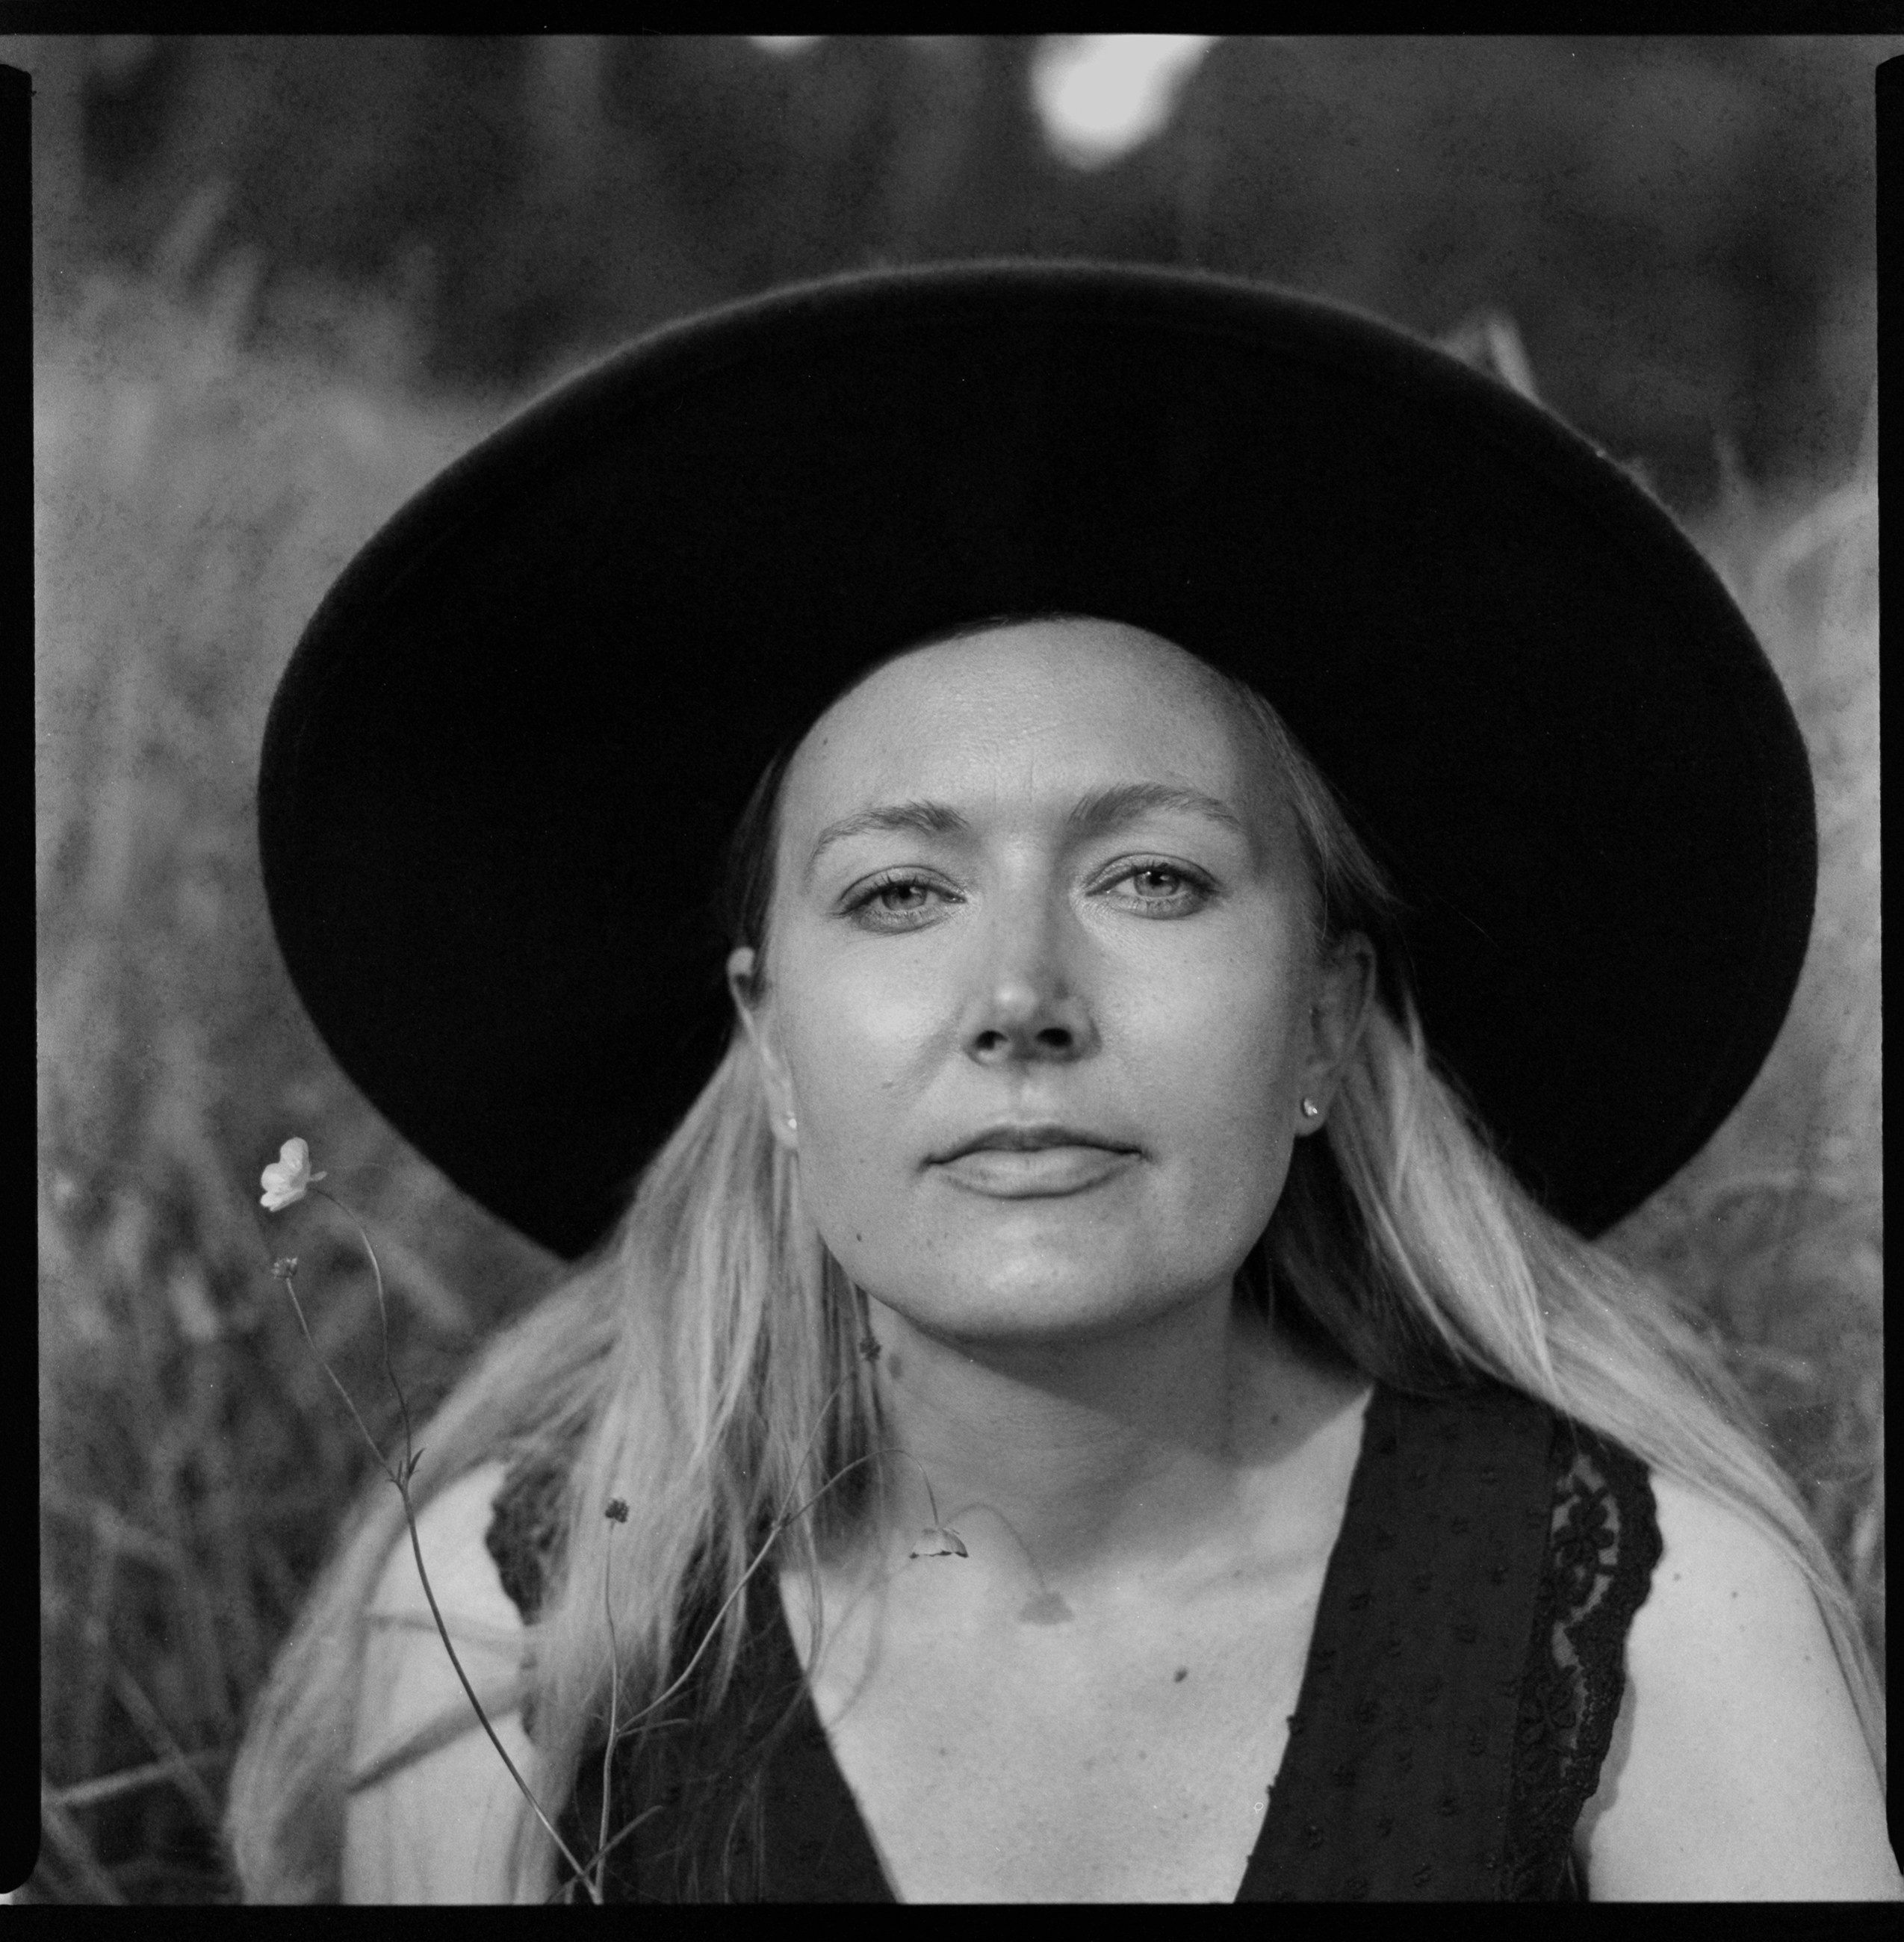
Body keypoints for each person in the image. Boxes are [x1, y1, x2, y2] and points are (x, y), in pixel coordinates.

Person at [226, 263, 1895, 1903]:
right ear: (772, 1044)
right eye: (901, 892)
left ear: (1325, 1023)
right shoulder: (522, 1639)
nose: (1021, 998)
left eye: (1151, 878)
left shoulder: (1667, 1630)